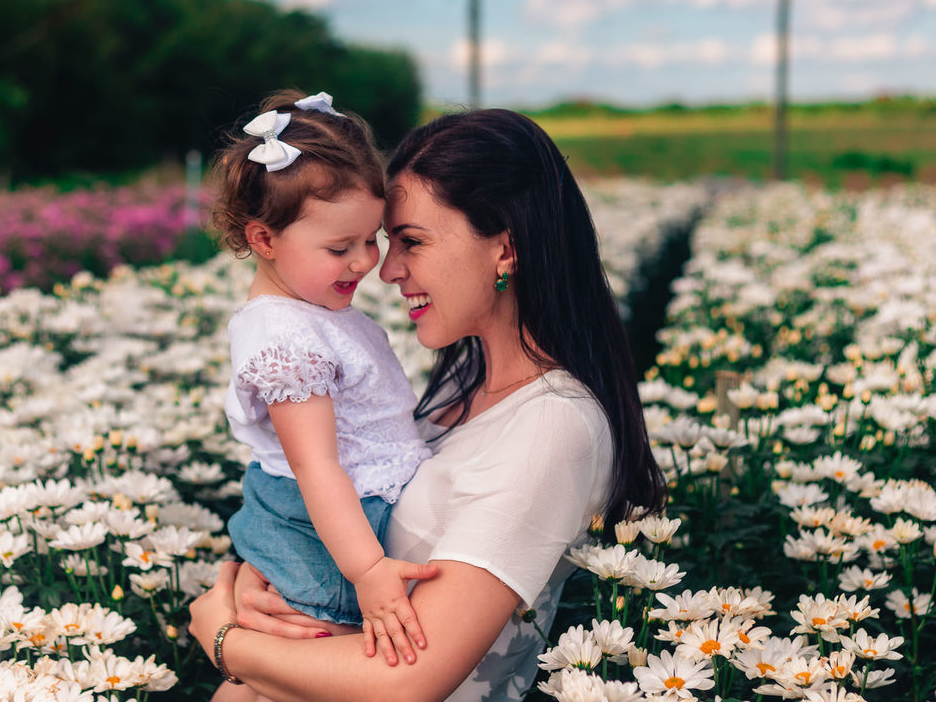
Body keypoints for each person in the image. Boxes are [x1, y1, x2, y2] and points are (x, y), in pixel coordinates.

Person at [191, 108, 667, 701]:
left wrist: (225, 638)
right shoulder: (460, 385)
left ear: (506, 249)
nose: (384, 269)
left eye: (410, 241)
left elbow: (408, 683)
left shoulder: (553, 425)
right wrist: (259, 582)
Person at [210, 89, 439, 701]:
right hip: (324, 525)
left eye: (372, 239)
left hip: (341, 511)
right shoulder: (286, 334)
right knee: (294, 667)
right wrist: (367, 571)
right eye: (340, 248)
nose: (366, 261)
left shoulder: (310, 309)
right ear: (263, 240)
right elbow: (316, 465)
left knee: (286, 669)